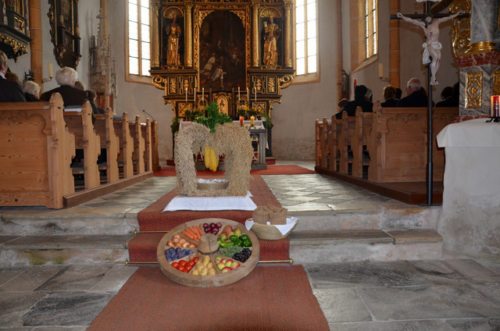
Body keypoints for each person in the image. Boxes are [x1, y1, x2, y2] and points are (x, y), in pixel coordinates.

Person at [397, 11, 462, 86]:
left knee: (439, 59)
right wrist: (402, 16)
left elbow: (447, 18)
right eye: (426, 19)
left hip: (436, 44)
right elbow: (411, 21)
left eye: (429, 18)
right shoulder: (423, 25)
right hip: (430, 45)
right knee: (435, 57)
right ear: (425, 19)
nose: (428, 20)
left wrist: (456, 14)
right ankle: (433, 78)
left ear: (431, 17)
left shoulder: (437, 22)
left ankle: (433, 77)